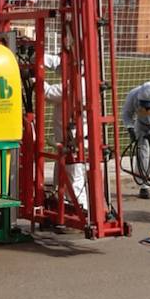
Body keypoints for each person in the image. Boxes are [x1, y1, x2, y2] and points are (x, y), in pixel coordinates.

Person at [41, 54, 87, 211]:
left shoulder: (75, 86)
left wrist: (34, 77)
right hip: (67, 142)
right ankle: (64, 211)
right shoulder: (79, 78)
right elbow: (58, 63)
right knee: (61, 180)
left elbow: (47, 93)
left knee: (73, 182)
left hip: (73, 142)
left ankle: (80, 213)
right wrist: (37, 56)